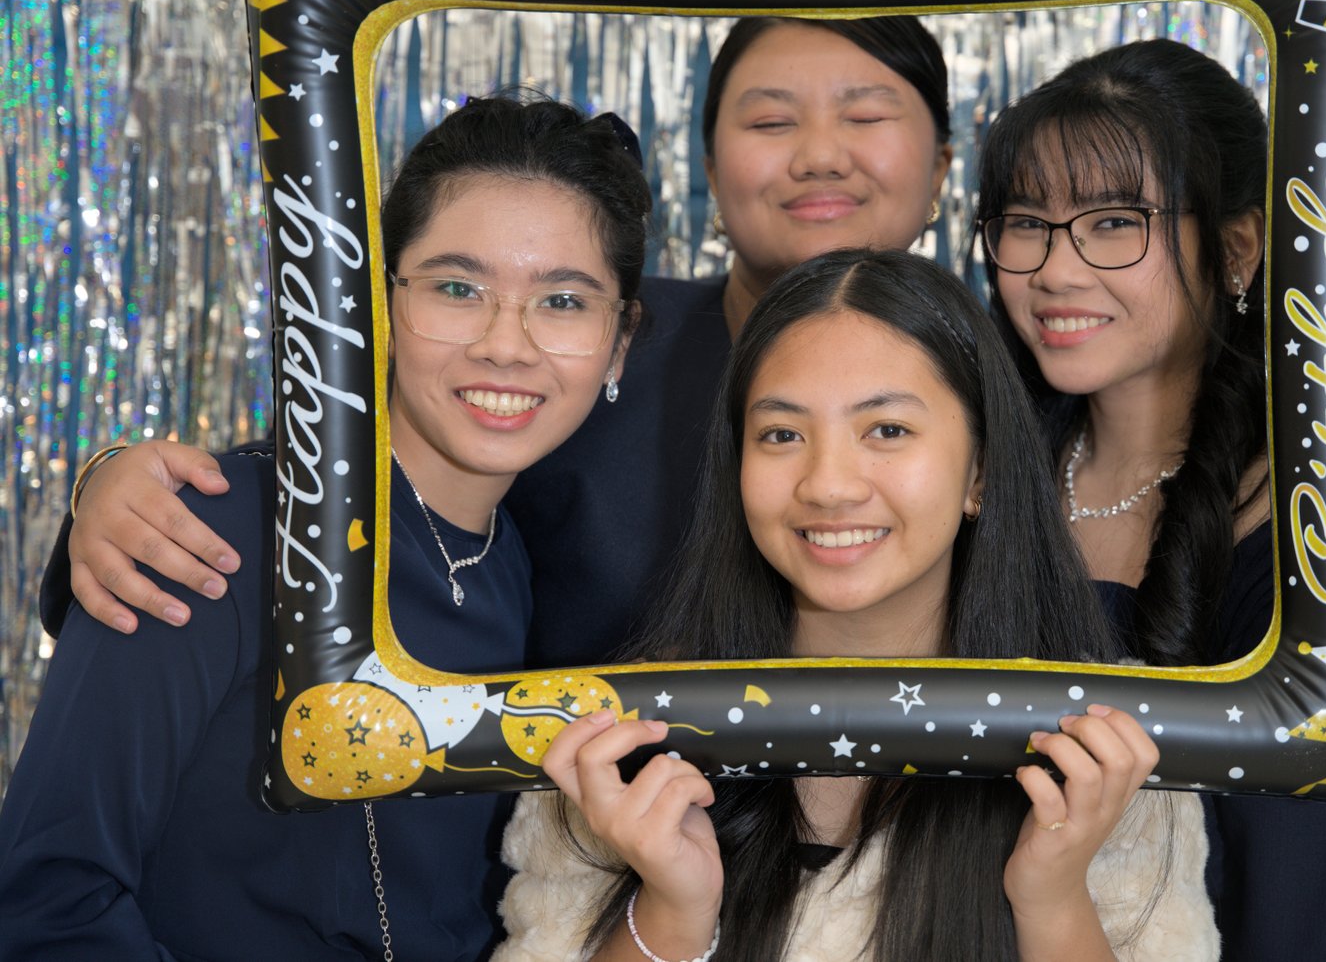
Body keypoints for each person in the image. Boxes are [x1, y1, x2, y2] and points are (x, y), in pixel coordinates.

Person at [42, 15, 955, 668]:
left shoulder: (994, 374)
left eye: (866, 116)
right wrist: (120, 488)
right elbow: (349, 479)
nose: (819, 154)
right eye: (771, 121)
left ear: (945, 166)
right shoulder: (588, 336)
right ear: (712, 172)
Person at [0, 95, 648, 958]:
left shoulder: (513, 562)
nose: (507, 344)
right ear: (378, 301)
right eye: (457, 288)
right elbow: (45, 904)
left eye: (563, 301)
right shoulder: (215, 528)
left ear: (619, 342)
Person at [493, 249, 1218, 962]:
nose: (829, 485)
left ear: (981, 471)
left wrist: (1052, 902)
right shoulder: (614, 737)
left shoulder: (1107, 745)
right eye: (782, 435)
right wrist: (669, 917)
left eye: (887, 431)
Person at [975, 38, 1326, 960]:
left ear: (1236, 248)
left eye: (1113, 222)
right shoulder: (964, 482)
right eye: (1026, 221)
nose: (1055, 269)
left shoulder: (1322, 570)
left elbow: (1312, 934)